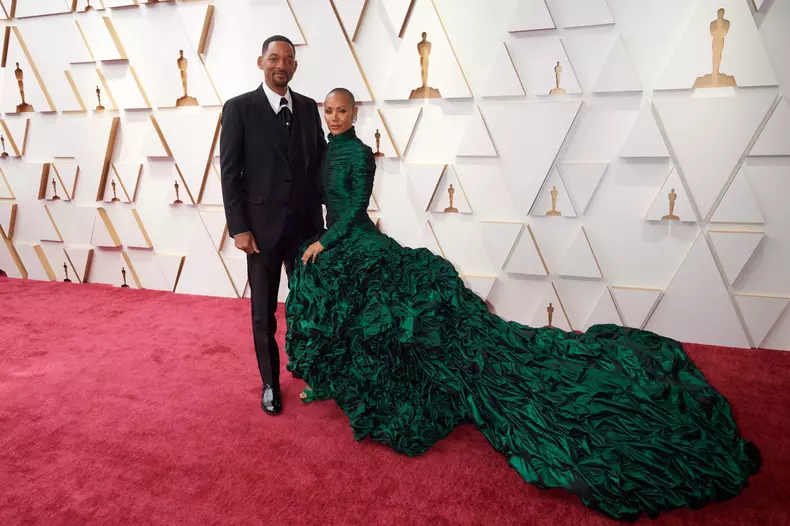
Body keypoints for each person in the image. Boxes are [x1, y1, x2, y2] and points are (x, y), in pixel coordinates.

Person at [284, 87, 761, 521]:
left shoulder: (360, 153)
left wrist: (325, 242)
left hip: (352, 240)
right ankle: (336, 382)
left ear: (356, 113)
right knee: (341, 308)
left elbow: (355, 208)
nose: (334, 117)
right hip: (338, 242)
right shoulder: (327, 150)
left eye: (342, 111)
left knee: (376, 311)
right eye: (329, 111)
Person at [219, 35, 326, 416]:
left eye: (288, 59)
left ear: (295, 66)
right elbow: (230, 173)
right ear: (261, 62)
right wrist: (239, 228)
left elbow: (320, 165)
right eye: (274, 58)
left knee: (307, 304)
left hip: (305, 230)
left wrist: (330, 222)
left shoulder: (309, 108)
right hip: (260, 232)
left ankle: (307, 366)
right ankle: (270, 382)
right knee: (263, 312)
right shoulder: (238, 109)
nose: (281, 65)